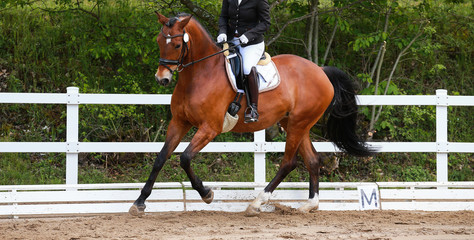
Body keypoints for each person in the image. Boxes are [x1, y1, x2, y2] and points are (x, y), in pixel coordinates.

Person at [217, 0, 271, 123]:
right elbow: (223, 17)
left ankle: (253, 108)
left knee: (246, 68)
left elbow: (265, 23)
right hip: (231, 41)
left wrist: (249, 35)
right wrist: (222, 32)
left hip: (252, 43)